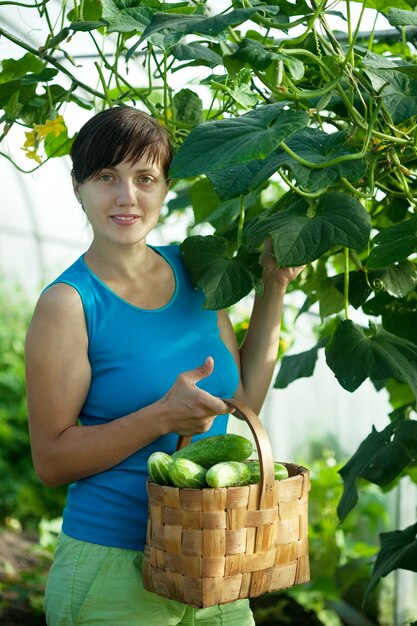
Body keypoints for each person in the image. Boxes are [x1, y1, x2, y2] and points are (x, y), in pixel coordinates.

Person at [25, 106, 303, 626]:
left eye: (144, 178)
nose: (127, 196)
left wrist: (273, 286)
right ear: (78, 188)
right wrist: (160, 417)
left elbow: (238, 404)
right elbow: (51, 462)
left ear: (165, 188)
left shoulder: (195, 269)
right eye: (107, 177)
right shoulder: (69, 304)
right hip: (112, 569)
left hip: (214, 554)